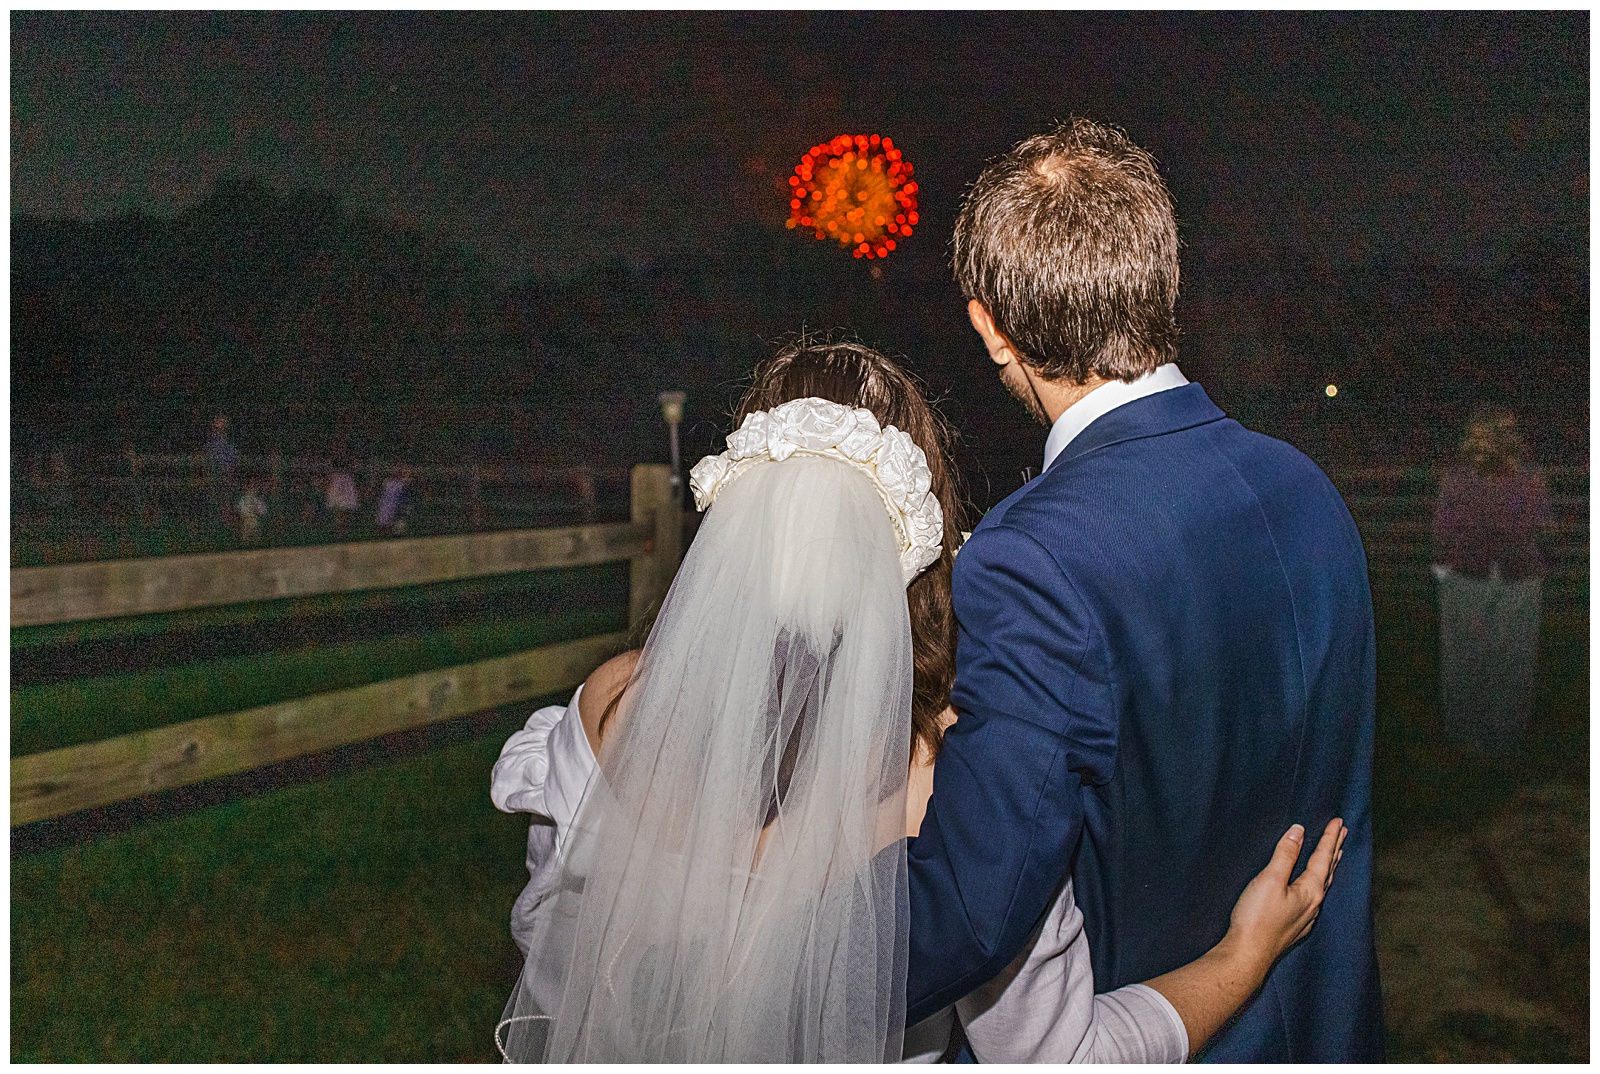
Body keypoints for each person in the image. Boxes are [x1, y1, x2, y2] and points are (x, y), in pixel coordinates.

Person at [491, 340, 1346, 1063]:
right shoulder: (952, 779)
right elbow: (1064, 1060)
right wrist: (1245, 954)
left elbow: (558, 963)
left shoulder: (614, 707)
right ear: (920, 531)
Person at [904, 119, 1383, 1061]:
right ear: (1163, 281)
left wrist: (738, 937)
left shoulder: (1030, 559)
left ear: (989, 327)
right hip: (1317, 1029)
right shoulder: (1309, 489)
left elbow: (970, 909)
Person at [1430, 407, 1553, 756]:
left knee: (1465, 656)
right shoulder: (1528, 477)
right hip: (1513, 575)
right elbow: (1544, 525)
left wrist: (1443, 566)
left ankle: (1469, 736)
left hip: (1474, 576)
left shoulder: (1458, 477)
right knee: (1512, 658)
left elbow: (1441, 528)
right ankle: (1503, 737)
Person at [204, 414, 240, 527]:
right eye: (219, 421)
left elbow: (233, 455)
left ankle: (226, 520)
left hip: (226, 470)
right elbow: (210, 455)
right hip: (216, 470)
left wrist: (230, 468)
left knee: (226, 496)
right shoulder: (212, 440)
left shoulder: (227, 440)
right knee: (216, 497)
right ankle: (216, 522)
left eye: (222, 422)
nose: (221, 424)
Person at [236, 481, 269, 545]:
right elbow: (241, 510)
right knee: (246, 534)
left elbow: (262, 510)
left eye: (253, 489)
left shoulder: (257, 500)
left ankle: (257, 544)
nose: (251, 491)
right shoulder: (243, 500)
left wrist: (257, 512)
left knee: (256, 533)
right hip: (246, 519)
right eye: (250, 489)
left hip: (255, 518)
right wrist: (245, 515)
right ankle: (245, 545)